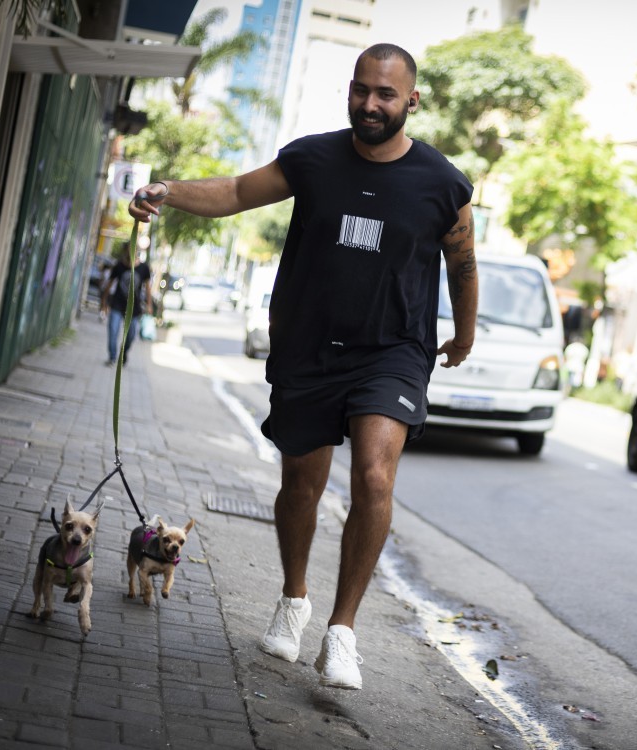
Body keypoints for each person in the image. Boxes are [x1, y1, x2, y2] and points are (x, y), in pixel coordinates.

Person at [128, 43, 477, 691]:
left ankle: (341, 632)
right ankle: (293, 600)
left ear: (412, 101)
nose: (370, 104)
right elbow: (234, 191)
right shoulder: (312, 158)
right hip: (308, 345)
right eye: (360, 90)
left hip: (392, 350)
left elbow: (462, 261)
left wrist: (464, 331)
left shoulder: (443, 182)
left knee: (374, 475)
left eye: (385, 95)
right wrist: (167, 191)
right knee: (301, 483)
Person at [100, 243, 153, 366]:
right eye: (128, 251)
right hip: (117, 305)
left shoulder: (144, 268)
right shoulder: (119, 266)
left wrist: (149, 304)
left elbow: (148, 288)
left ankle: (123, 354)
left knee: (130, 336)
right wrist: (104, 302)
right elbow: (109, 284)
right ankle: (113, 357)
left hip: (134, 308)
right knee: (113, 330)